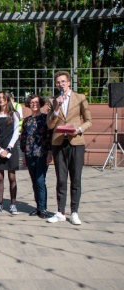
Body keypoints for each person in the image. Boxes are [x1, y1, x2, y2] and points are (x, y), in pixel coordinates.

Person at [46, 71, 92, 225]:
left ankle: (74, 212)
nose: (61, 84)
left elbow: (88, 120)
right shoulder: (53, 101)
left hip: (76, 142)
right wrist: (56, 108)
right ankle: (60, 211)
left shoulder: (80, 98)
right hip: (59, 143)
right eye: (58, 82)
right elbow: (50, 124)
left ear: (69, 82)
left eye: (63, 81)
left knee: (76, 179)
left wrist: (78, 130)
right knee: (61, 179)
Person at [20, 95, 53, 219]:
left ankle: (43, 208)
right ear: (29, 104)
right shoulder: (26, 120)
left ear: (41, 103)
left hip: (42, 154)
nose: (35, 104)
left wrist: (50, 153)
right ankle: (38, 207)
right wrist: (23, 155)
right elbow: (23, 138)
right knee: (34, 182)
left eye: (37, 102)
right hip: (29, 154)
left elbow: (49, 136)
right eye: (32, 102)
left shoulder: (45, 118)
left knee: (40, 181)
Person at [0, 91, 20, 215]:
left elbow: (16, 132)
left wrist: (8, 148)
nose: (1, 100)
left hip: (11, 148)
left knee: (12, 176)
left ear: (8, 99)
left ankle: (13, 204)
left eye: (3, 98)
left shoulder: (14, 114)